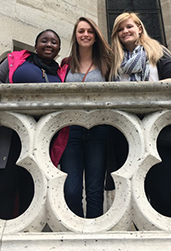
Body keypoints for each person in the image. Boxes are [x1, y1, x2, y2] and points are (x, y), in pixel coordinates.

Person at [0, 29, 68, 220]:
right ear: (35, 46)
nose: (49, 45)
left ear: (59, 49)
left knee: (31, 189)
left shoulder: (60, 74)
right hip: (9, 136)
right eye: (44, 41)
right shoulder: (15, 61)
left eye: (54, 42)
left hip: (40, 141)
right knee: (2, 187)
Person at [110, 12, 171, 217]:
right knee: (136, 194)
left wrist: (141, 92)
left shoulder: (156, 52)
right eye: (120, 29)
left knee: (163, 193)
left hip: (160, 133)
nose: (124, 32)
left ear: (139, 28)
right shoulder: (115, 62)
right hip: (127, 136)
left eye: (128, 27)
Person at [52, 17, 112, 218]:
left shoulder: (107, 62)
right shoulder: (66, 64)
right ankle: (76, 234)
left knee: (95, 190)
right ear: (75, 36)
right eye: (81, 31)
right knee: (71, 189)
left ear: (95, 36)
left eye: (90, 31)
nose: (85, 35)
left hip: (99, 130)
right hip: (71, 130)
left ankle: (94, 237)